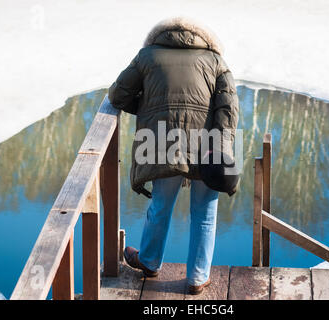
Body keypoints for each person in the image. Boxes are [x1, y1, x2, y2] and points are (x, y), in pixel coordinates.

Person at [108, 16, 239, 295]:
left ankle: (149, 261)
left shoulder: (146, 56)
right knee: (205, 214)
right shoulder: (216, 61)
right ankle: (197, 278)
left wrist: (146, 108)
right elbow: (228, 109)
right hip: (208, 147)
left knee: (160, 206)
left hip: (160, 143)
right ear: (204, 38)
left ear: (161, 35)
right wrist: (222, 146)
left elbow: (118, 95)